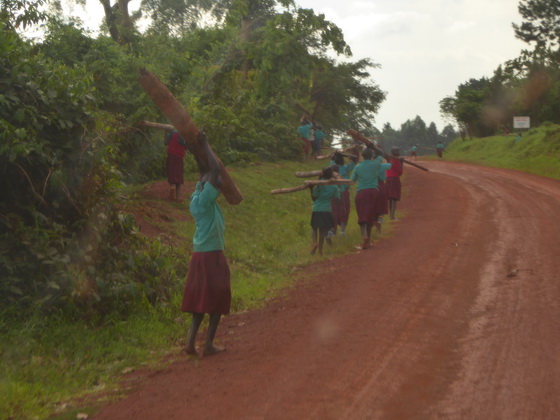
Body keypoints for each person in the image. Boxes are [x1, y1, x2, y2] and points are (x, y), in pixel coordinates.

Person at [181, 131, 231, 357]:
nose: (216, 183)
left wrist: (196, 149)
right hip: (212, 255)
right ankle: (208, 345)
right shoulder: (206, 199)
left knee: (200, 301)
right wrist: (206, 143)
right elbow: (215, 170)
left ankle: (191, 342)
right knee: (218, 298)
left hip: (199, 255)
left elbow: (206, 172)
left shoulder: (196, 198)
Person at [351, 147, 382, 250]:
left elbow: (352, 180)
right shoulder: (376, 164)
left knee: (362, 215)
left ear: (362, 156)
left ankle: (364, 236)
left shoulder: (358, 167)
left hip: (362, 192)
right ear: (372, 155)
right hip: (374, 192)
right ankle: (368, 241)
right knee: (370, 216)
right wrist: (372, 146)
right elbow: (381, 153)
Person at [309, 167, 340, 255]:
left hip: (317, 208)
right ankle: (320, 251)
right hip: (327, 209)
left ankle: (315, 243)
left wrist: (311, 189)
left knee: (314, 228)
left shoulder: (319, 184)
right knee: (322, 231)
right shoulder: (334, 186)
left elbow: (314, 198)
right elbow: (337, 198)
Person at [329, 152, 356, 236]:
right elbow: (355, 158)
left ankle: (333, 230)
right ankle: (342, 231)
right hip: (343, 192)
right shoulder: (346, 167)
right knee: (344, 210)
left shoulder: (332, 166)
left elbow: (332, 157)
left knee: (334, 210)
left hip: (333, 193)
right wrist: (345, 155)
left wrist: (336, 153)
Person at [165, 129, 188, 200]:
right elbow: (186, 147)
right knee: (179, 176)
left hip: (171, 155)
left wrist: (165, 133)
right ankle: (177, 197)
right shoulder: (185, 136)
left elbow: (166, 142)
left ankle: (172, 187)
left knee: (171, 173)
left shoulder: (172, 133)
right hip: (180, 157)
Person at [375, 154, 392, 234]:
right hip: (381, 186)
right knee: (381, 208)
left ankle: (375, 222)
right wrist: (388, 159)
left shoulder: (371, 166)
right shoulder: (383, 166)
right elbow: (391, 165)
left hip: (372, 187)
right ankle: (379, 221)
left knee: (374, 207)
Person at [386, 146, 403, 221]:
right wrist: (401, 163)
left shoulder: (389, 159)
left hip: (388, 179)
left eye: (398, 151)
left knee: (391, 198)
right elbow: (400, 172)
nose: (398, 152)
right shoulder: (396, 161)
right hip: (394, 179)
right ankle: (392, 216)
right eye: (396, 151)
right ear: (393, 152)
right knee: (394, 198)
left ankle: (391, 215)